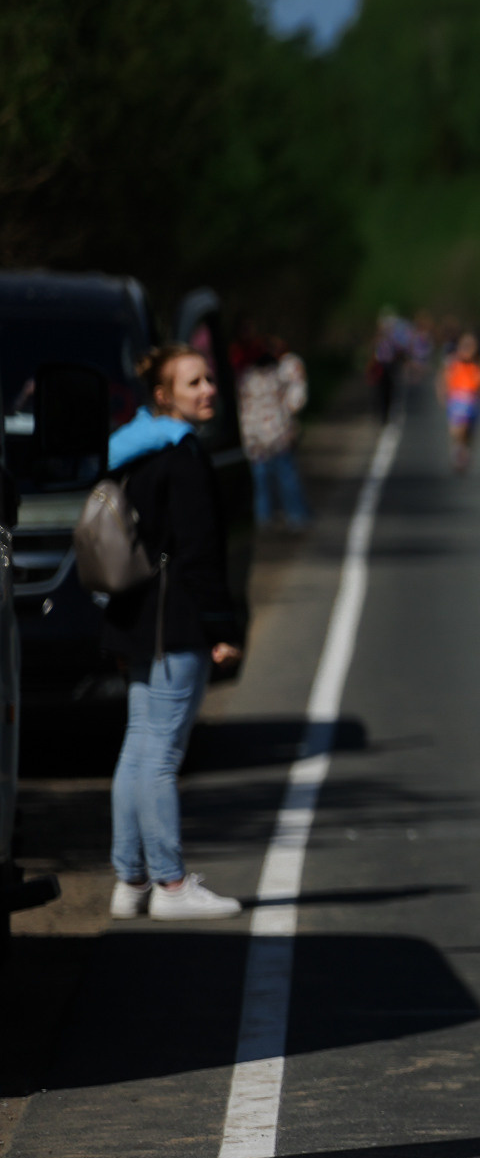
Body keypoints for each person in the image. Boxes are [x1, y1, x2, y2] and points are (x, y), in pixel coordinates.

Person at [103, 346, 247, 920]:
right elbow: (200, 554)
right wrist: (222, 626)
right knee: (160, 755)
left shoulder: (131, 451)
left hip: (136, 618)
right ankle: (170, 885)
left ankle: (129, 881)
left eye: (210, 378)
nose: (209, 389)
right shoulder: (184, 455)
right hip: (176, 623)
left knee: (138, 750)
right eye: (194, 382)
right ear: (164, 396)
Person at [238, 335, 310, 530]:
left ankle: (274, 519)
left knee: (270, 482)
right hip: (271, 438)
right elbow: (295, 400)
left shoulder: (249, 378)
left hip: (263, 439)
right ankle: (287, 518)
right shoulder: (268, 376)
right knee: (279, 480)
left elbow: (296, 397)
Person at [444, 332, 480, 473]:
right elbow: (444, 378)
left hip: (473, 400)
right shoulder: (453, 362)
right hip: (457, 399)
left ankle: (464, 452)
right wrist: (444, 394)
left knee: (469, 433)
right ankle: (458, 453)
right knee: (458, 430)